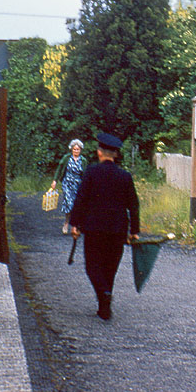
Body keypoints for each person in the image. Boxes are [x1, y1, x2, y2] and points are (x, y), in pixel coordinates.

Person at [69, 133, 139, 320]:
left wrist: (75, 224)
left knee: (93, 266)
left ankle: (104, 296)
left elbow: (81, 199)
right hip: (117, 230)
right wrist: (134, 231)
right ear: (115, 155)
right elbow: (133, 204)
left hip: (94, 228)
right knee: (110, 267)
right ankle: (104, 305)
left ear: (99, 153)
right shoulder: (125, 176)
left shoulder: (91, 172)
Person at [51, 138, 86, 235]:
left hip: (78, 184)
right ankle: (66, 223)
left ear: (80, 150)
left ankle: (76, 225)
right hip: (67, 183)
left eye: (78, 149)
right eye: (74, 149)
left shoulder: (83, 160)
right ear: (71, 149)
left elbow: (86, 174)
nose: (76, 151)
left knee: (76, 204)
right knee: (69, 203)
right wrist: (55, 180)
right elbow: (59, 169)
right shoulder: (66, 158)